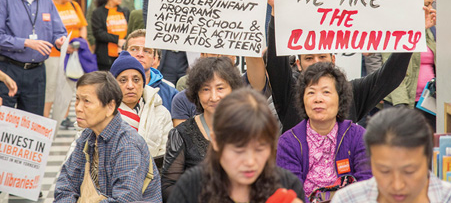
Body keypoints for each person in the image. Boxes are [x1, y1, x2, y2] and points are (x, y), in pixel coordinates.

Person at [259, 0, 415, 131]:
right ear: (298, 64)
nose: (316, 63)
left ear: (333, 60)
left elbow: (390, 77)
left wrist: (412, 30)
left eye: (322, 56)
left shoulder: (352, 92)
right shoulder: (290, 93)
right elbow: (275, 65)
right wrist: (277, 11)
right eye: (309, 58)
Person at [169, 89, 305, 203]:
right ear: (216, 141)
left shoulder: (287, 187)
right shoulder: (191, 187)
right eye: (239, 150)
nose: (250, 162)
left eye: (259, 149)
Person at [54, 71, 162, 203]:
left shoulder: (128, 144)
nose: (78, 107)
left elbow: (124, 199)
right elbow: (66, 185)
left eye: (86, 101)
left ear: (110, 107)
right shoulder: (88, 136)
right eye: (77, 99)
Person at [331, 107, 451, 203]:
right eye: (384, 171)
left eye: (409, 172)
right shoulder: (348, 199)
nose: (397, 185)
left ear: (429, 159)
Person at [276, 62, 372, 199]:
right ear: (302, 100)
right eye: (311, 92)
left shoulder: (358, 136)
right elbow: (290, 194)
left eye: (326, 92)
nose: (318, 99)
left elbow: (367, 186)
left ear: (340, 99)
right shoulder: (288, 142)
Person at [0, 0, 67, 116]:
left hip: (37, 72)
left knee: (33, 123)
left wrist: (60, 40)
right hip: (9, 69)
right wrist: (25, 43)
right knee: (5, 122)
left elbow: (58, 31)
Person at [161, 57, 244, 201]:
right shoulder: (181, 134)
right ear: (196, 93)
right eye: (206, 89)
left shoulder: (246, 130)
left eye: (220, 88)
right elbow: (168, 186)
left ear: (233, 89)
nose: (213, 97)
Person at [382, 0, 437, 128]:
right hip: (404, 104)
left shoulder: (430, 31)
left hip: (427, 103)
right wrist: (402, 106)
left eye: (432, 4)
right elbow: (393, 70)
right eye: (427, 4)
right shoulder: (397, 31)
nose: (430, 8)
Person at [110, 51, 172, 158]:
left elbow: (166, 154)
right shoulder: (101, 113)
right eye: (123, 80)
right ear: (113, 84)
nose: (130, 86)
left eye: (136, 80)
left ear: (143, 84)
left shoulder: (161, 113)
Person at [44, 0, 88, 120]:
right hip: (54, 54)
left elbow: (82, 26)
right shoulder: (49, 6)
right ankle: (45, 117)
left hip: (73, 54)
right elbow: (45, 30)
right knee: (51, 86)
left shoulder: (74, 6)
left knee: (69, 85)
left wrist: (80, 42)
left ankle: (64, 118)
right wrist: (63, 45)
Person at [124, 29, 178, 112]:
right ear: (123, 54)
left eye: (147, 51)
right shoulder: (110, 88)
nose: (140, 54)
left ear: (154, 58)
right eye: (134, 49)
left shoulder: (170, 93)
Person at [91, 0, 129, 71]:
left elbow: (130, 29)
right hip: (105, 57)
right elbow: (98, 33)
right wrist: (117, 40)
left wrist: (125, 42)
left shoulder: (125, 11)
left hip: (122, 54)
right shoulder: (98, 12)